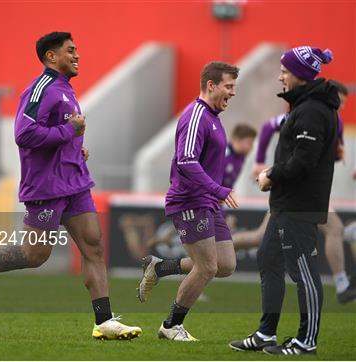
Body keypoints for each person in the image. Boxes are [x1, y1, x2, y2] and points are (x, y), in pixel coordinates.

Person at [0, 32, 142, 340]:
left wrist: (75, 146)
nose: (77, 55)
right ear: (51, 56)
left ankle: (104, 321)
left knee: (93, 246)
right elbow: (24, 133)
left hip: (74, 181)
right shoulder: (40, 89)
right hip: (46, 186)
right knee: (35, 255)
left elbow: (62, 132)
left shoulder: (66, 90)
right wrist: (68, 132)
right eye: (70, 50)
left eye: (77, 49)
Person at [229, 46, 339, 355]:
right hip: (287, 203)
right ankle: (266, 333)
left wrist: (271, 175)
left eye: (285, 71)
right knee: (268, 257)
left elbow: (303, 161)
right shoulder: (306, 107)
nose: (280, 76)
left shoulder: (312, 111)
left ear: (301, 75)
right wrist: (274, 176)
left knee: (303, 270)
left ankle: (307, 341)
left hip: (300, 205)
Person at [137, 61, 240, 341]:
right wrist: (216, 188)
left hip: (207, 201)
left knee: (226, 264)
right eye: (228, 86)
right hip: (190, 201)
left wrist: (214, 193)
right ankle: (171, 326)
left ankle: (160, 267)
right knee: (206, 267)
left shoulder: (214, 119)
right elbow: (185, 160)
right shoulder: (196, 115)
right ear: (211, 85)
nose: (232, 93)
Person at [232, 80, 356, 304]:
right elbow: (270, 126)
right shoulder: (313, 113)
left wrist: (339, 150)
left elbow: (322, 156)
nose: (341, 106)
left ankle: (219, 248)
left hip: (306, 188)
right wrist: (259, 162)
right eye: (341, 100)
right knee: (335, 228)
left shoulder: (332, 118)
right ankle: (341, 285)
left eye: (345, 103)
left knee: (260, 239)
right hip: (298, 187)